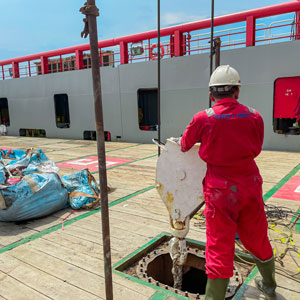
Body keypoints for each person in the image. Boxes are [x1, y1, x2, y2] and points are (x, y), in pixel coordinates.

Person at [180, 65, 277, 300]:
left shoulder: (203, 118)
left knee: (219, 248)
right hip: (250, 185)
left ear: (212, 95)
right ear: (237, 92)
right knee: (257, 237)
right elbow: (257, 146)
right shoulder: (255, 115)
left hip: (220, 191)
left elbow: (184, 144)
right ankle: (269, 286)